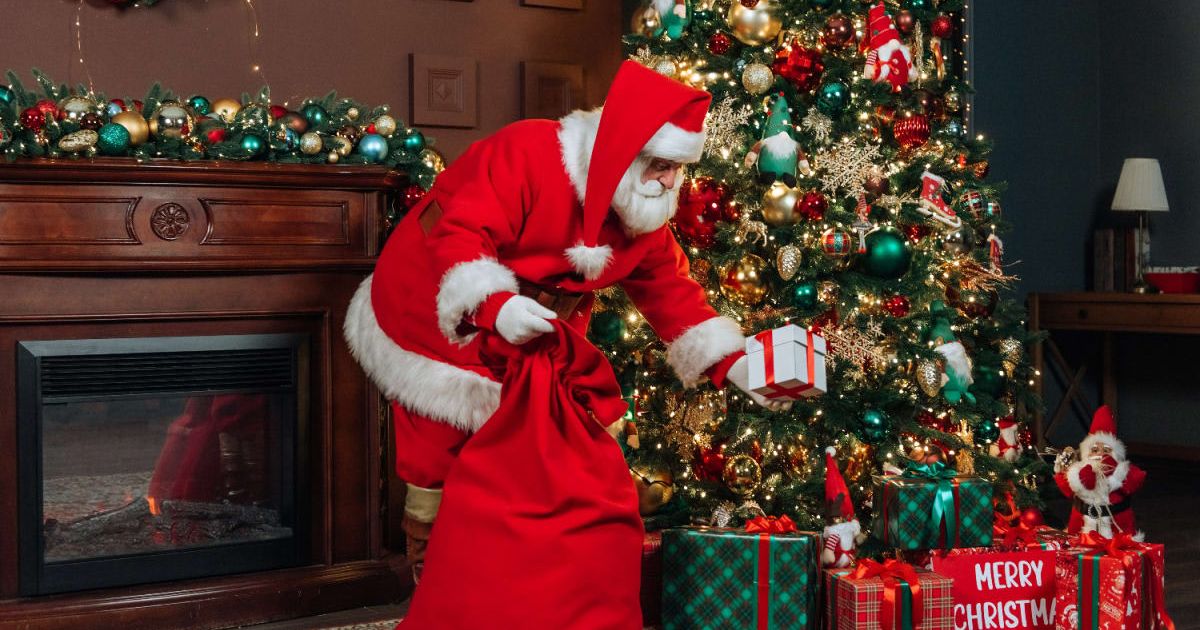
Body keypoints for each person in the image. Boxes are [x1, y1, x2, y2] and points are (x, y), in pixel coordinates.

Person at [343, 61, 785, 576]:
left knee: (543, 446)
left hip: (536, 329)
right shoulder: (528, 153)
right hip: (435, 301)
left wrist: (732, 363)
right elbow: (460, 233)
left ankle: (515, 575)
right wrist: (493, 306)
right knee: (436, 446)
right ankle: (434, 573)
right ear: (621, 149)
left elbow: (670, 290)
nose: (669, 181)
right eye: (659, 164)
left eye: (676, 167)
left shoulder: (641, 210)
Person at [1053, 405, 1146, 539]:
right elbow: (1066, 486)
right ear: (1086, 452)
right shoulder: (1077, 471)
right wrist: (1061, 470)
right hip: (1081, 527)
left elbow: (1136, 479)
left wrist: (1114, 470)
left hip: (1117, 530)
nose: (1101, 454)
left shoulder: (1121, 471)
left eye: (1106, 450)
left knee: (1121, 551)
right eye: (1095, 450)